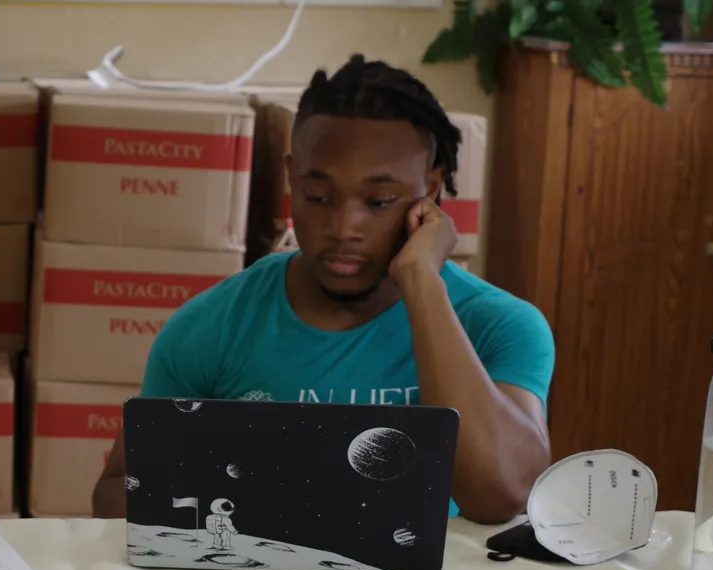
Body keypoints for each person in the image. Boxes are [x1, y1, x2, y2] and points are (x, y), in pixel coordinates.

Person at [91, 55, 554, 523]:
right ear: (291, 176)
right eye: (317, 197)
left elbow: (501, 496)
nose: (343, 227)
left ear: (430, 189)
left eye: (379, 201)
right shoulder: (213, 324)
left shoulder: (499, 325)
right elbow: (113, 495)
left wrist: (422, 283)